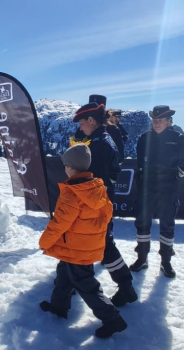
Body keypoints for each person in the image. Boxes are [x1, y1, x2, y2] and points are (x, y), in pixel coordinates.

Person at [39, 144, 127, 338]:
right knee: (64, 273)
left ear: (70, 168)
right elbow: (108, 212)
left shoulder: (72, 192)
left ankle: (112, 319)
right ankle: (58, 306)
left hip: (76, 248)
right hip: (84, 245)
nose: (64, 168)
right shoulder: (97, 186)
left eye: (65, 165)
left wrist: (44, 242)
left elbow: (59, 223)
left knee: (85, 284)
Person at [72, 102, 137, 307]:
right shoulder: (103, 138)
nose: (81, 127)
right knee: (104, 245)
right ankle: (125, 286)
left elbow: (93, 181)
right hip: (103, 202)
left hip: (96, 205)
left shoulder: (99, 146)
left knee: (104, 245)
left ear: (91, 120)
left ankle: (125, 287)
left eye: (82, 123)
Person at [130, 105, 184, 278]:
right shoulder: (144, 138)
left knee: (167, 223)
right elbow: (140, 162)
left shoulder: (177, 138)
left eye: (161, 120)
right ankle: (142, 258)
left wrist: (171, 178)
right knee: (142, 222)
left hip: (168, 185)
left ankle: (166, 261)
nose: (157, 123)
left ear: (169, 121)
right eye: (155, 120)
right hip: (147, 185)